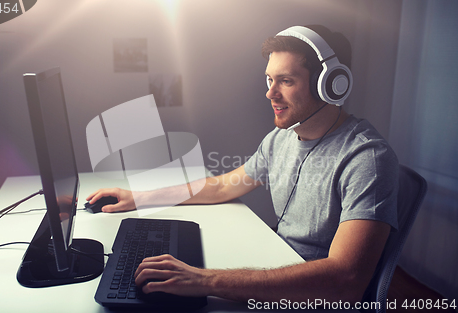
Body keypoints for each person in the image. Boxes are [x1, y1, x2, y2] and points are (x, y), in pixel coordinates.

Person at [86, 25, 399, 304]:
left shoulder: (366, 159)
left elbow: (346, 282)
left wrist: (204, 281)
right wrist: (139, 196)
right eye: (269, 79)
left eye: (286, 81)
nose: (269, 93)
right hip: (279, 267)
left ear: (330, 85)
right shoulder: (282, 138)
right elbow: (224, 185)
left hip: (312, 296)